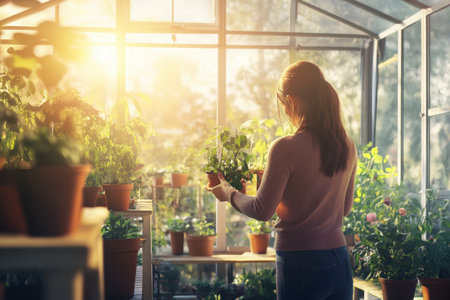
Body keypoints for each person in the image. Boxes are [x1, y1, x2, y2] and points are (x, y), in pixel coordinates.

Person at [207, 61, 357, 300]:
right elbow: (345, 208)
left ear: (291, 100)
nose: (285, 112)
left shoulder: (285, 147)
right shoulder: (346, 145)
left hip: (301, 261)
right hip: (339, 259)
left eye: (283, 105)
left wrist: (228, 193)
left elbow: (262, 209)